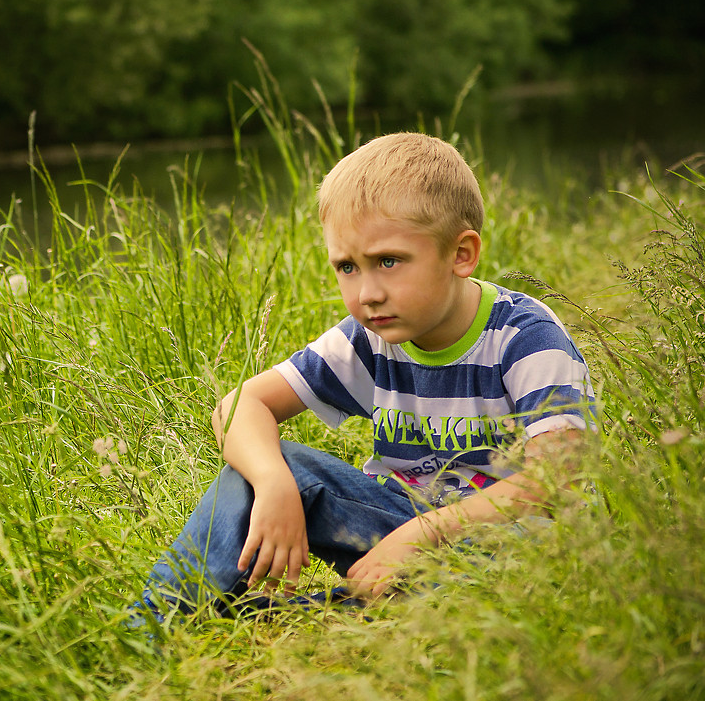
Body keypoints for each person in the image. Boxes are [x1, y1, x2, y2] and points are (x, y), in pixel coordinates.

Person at [136, 132, 595, 622]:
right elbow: (239, 406)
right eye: (348, 267)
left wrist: (422, 536)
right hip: (397, 525)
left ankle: (323, 611)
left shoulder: (523, 337)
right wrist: (273, 482)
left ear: (461, 254)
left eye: (388, 262)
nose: (367, 293)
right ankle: (158, 617)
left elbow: (556, 476)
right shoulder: (368, 338)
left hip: (512, 544)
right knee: (264, 467)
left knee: (516, 569)